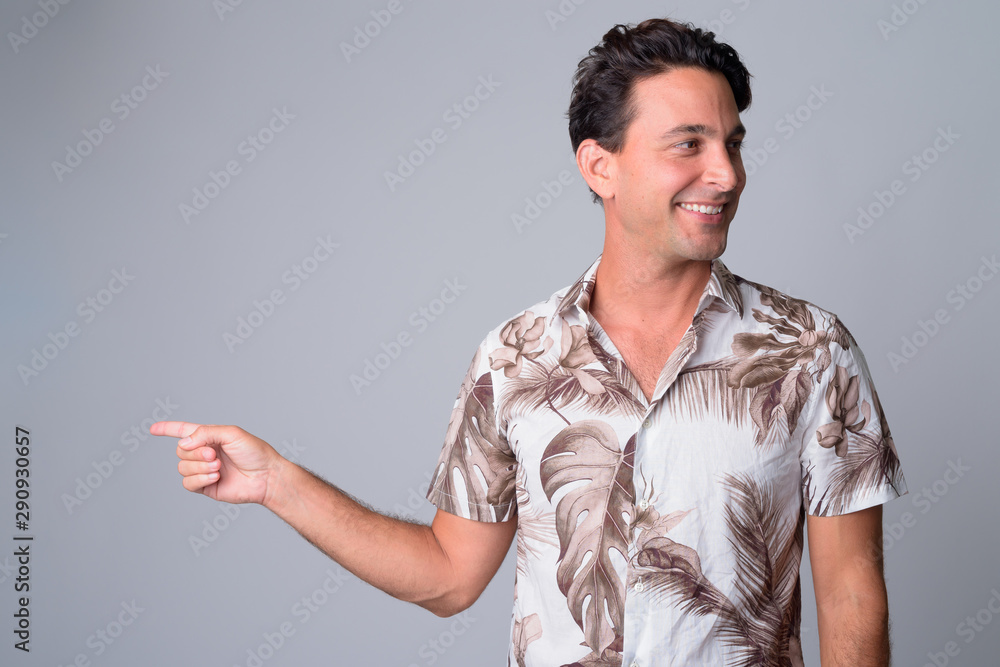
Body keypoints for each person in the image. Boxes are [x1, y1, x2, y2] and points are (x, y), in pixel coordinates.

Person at [152, 17, 907, 667]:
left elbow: (850, 592)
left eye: (733, 144)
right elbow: (449, 576)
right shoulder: (514, 358)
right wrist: (277, 483)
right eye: (689, 144)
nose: (726, 173)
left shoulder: (811, 350)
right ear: (600, 166)